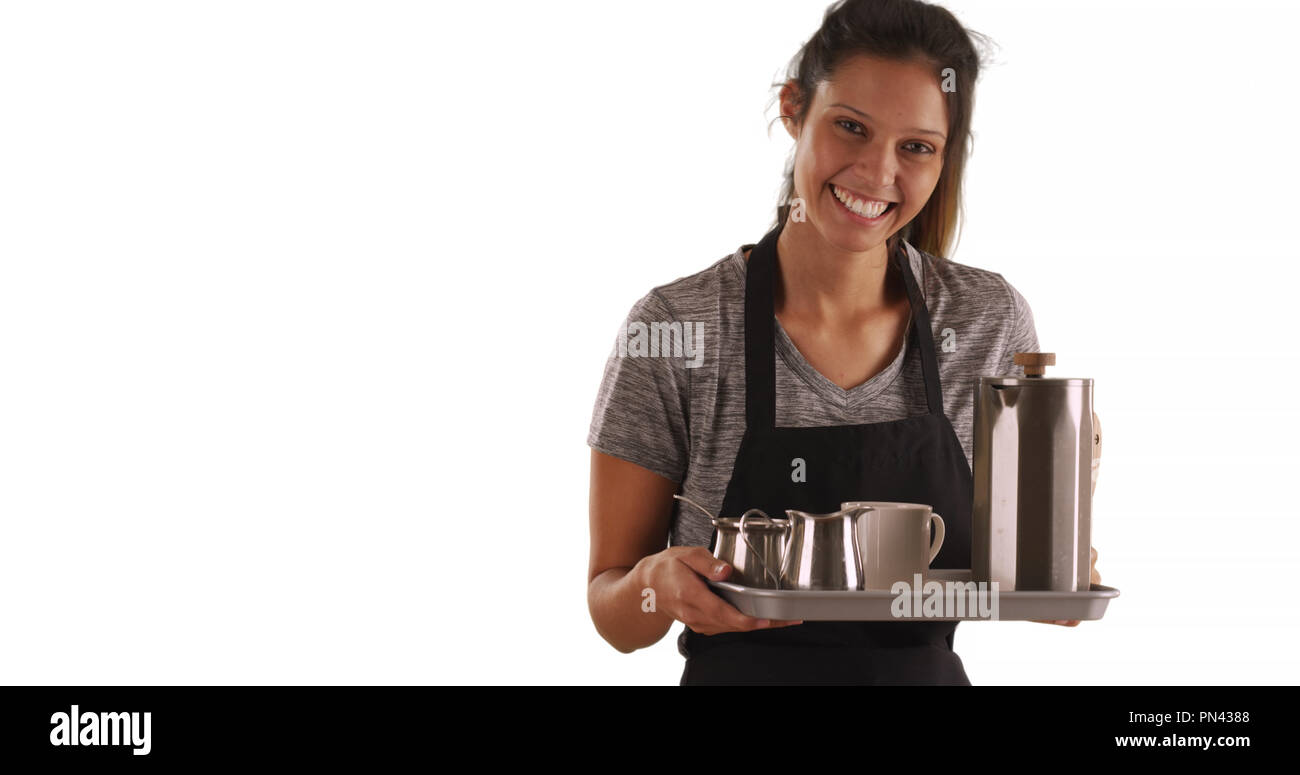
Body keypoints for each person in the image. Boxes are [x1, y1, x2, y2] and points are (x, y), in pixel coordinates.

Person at [586, 0, 1100, 685]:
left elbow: (1026, 566)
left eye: (915, 146)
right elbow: (612, 605)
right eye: (851, 127)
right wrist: (652, 582)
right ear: (793, 108)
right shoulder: (677, 328)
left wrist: (1060, 555)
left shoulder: (985, 319)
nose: (875, 171)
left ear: (944, 158)